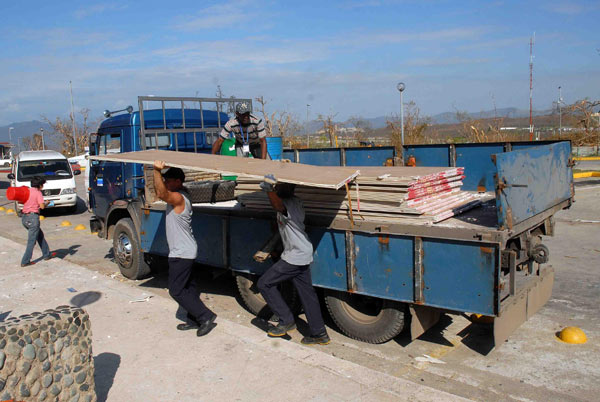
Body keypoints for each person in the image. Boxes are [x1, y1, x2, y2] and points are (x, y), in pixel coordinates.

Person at [257, 174, 330, 345]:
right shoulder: (295, 201)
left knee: (264, 284)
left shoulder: (287, 203)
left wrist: (268, 190)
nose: (277, 188)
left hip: (295, 256)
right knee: (307, 296)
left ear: (289, 188)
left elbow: (278, 206)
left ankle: (286, 320)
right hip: (301, 252)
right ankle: (320, 334)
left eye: (279, 186)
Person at [153, 160, 217, 337]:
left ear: (178, 182)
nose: (166, 182)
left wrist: (156, 171)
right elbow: (161, 191)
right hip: (184, 250)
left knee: (176, 290)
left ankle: (206, 317)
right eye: (165, 179)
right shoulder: (179, 194)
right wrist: (158, 173)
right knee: (189, 287)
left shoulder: (179, 198)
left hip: (182, 253)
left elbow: (161, 193)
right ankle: (193, 319)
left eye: (169, 179)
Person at [20, 176, 55, 267]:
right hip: (33, 218)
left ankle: (46, 254)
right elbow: (42, 206)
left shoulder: (27, 191)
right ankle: (25, 261)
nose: (42, 186)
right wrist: (47, 203)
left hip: (24, 217)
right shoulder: (38, 193)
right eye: (42, 185)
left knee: (40, 236)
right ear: (39, 185)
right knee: (32, 241)